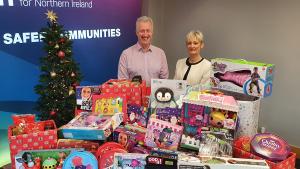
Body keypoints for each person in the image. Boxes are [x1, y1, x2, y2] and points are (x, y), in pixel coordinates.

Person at [118, 16, 169, 85]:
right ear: (136, 32)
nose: (145, 34)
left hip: (155, 95)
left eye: (148, 31)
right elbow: (122, 83)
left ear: (152, 32)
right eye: (142, 31)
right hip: (133, 95)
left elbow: (165, 81)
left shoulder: (160, 53)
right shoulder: (126, 54)